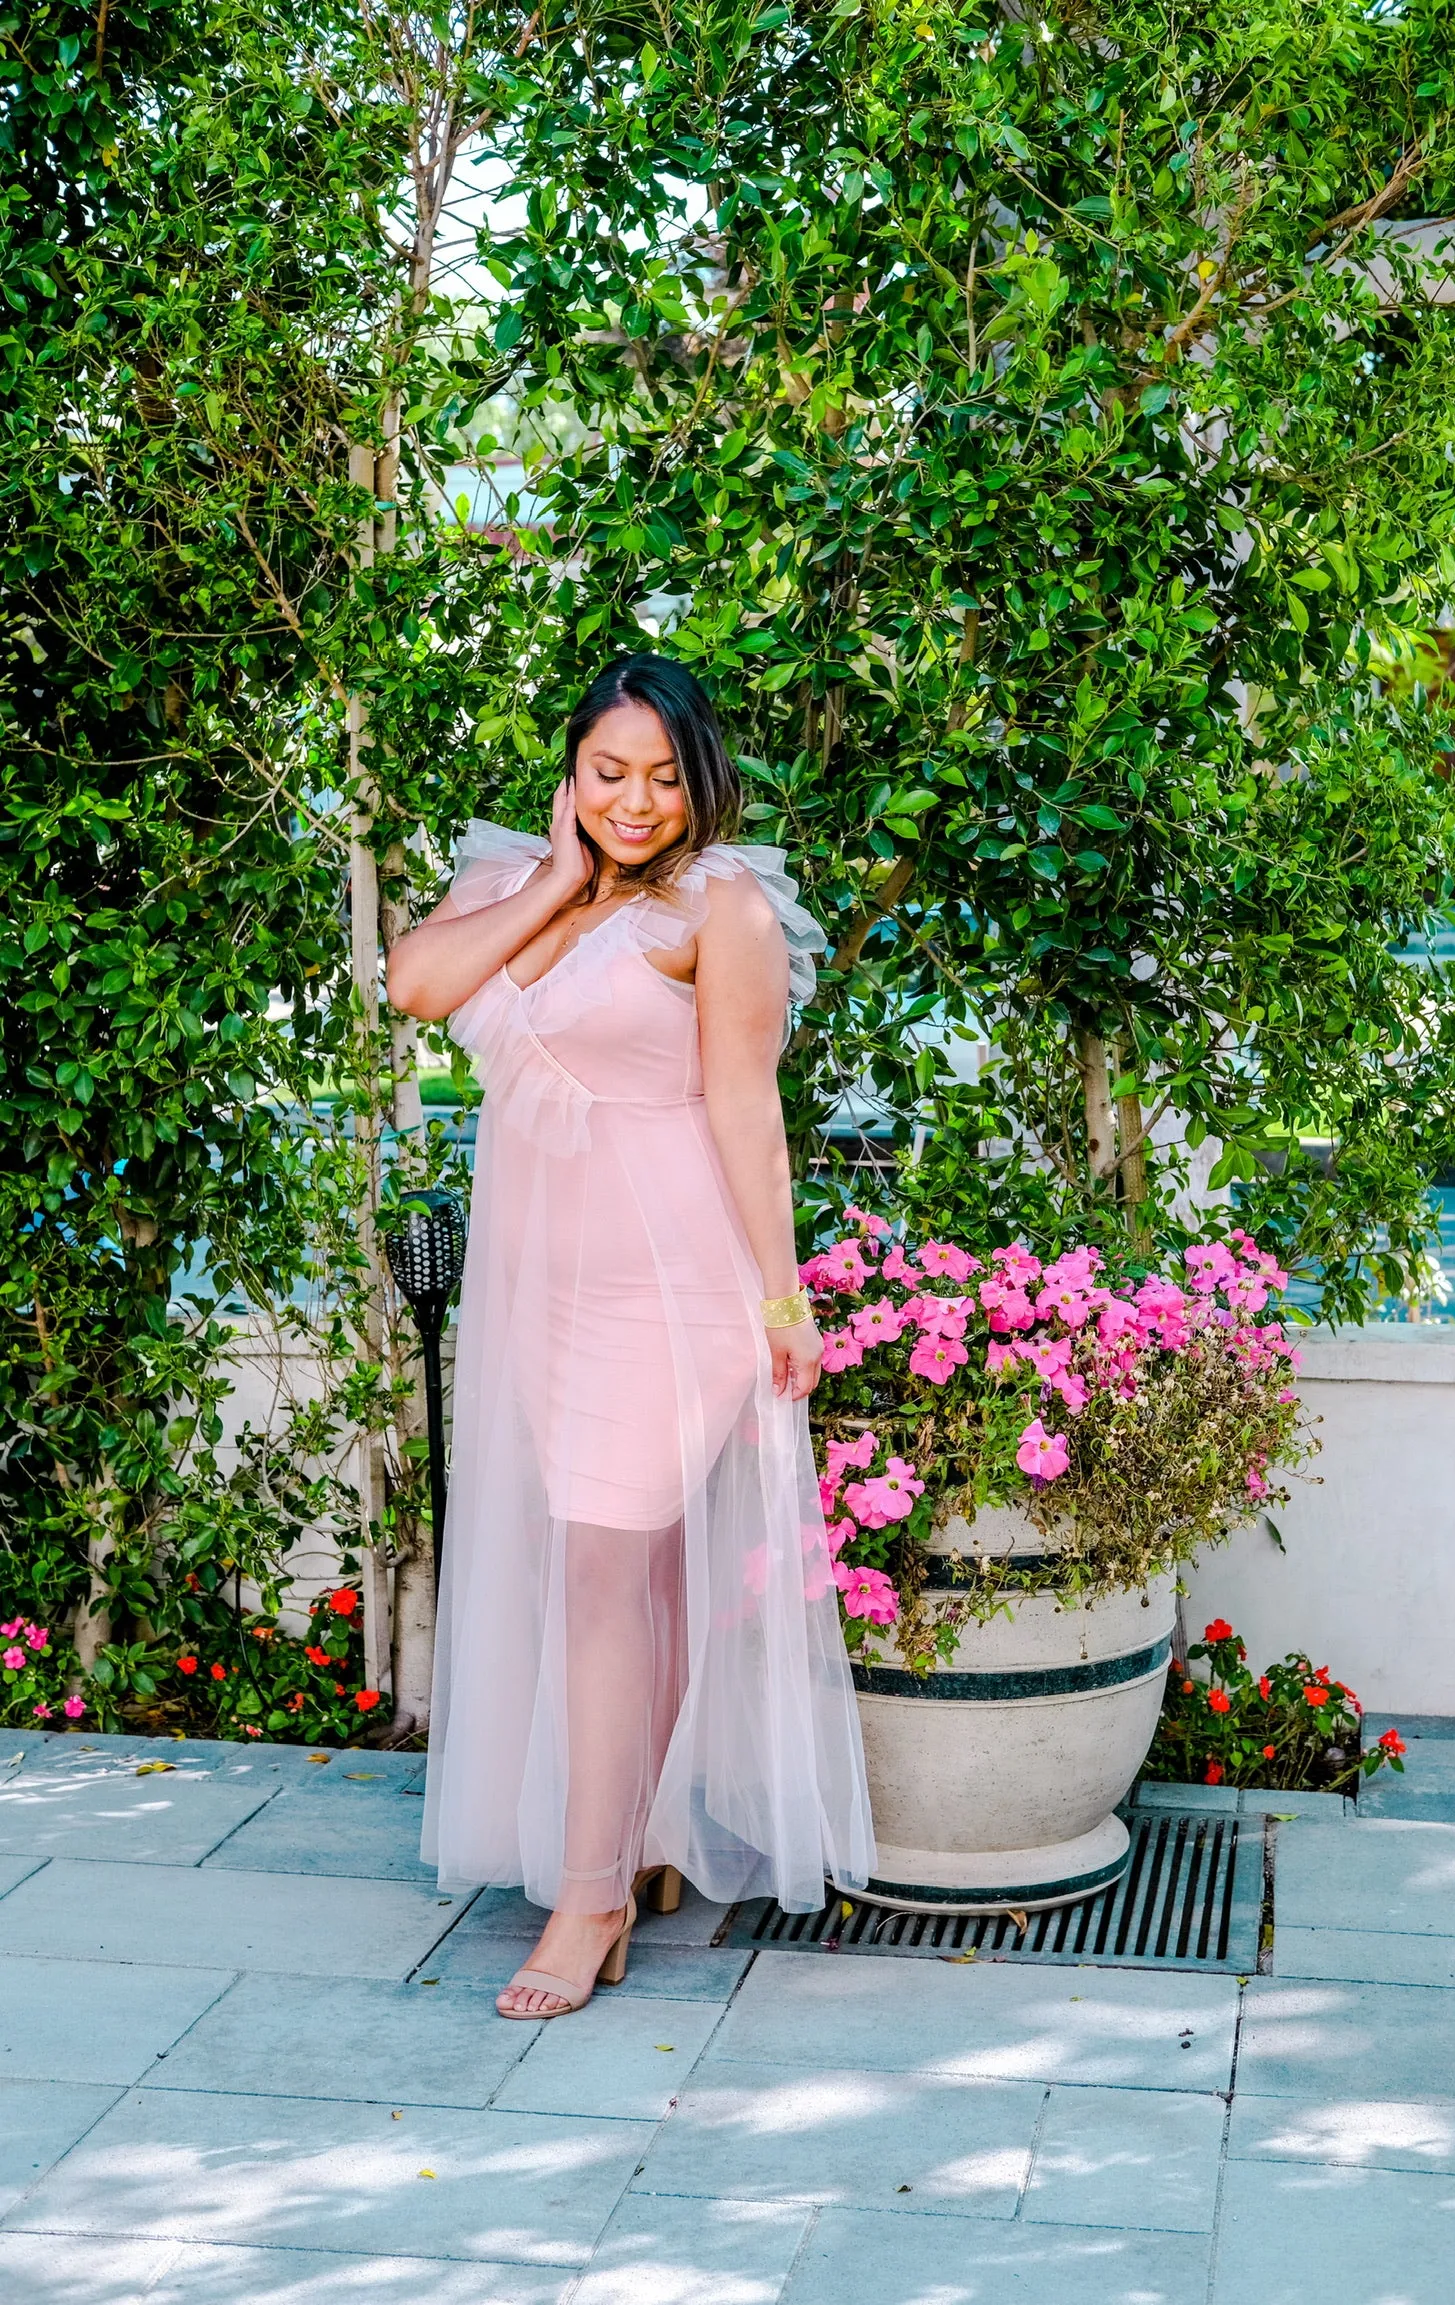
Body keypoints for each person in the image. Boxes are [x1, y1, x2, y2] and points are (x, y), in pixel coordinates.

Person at [387, 654, 873, 2018]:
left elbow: (745, 1115)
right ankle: (642, 1843)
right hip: (540, 1292)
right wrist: (554, 882)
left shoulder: (725, 908)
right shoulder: (506, 884)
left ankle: (591, 1897)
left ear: (703, 776)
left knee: (606, 1569)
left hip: (672, 1285)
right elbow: (417, 986)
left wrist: (784, 1301)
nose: (639, 800)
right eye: (611, 772)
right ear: (572, 773)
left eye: (666, 775)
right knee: (619, 1578)